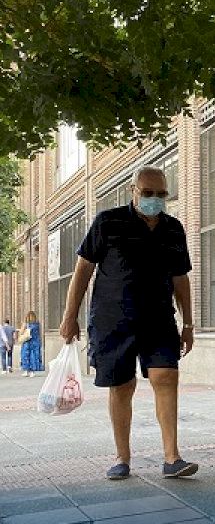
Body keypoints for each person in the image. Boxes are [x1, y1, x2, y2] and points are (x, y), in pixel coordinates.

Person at [59, 167, 197, 480]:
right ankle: (122, 457)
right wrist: (70, 316)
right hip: (113, 321)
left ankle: (172, 458)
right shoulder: (107, 222)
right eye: (147, 193)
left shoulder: (173, 229)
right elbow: (83, 270)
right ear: (132, 191)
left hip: (159, 319)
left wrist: (188, 324)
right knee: (122, 387)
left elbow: (181, 278)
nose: (154, 199)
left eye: (161, 194)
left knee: (166, 376)